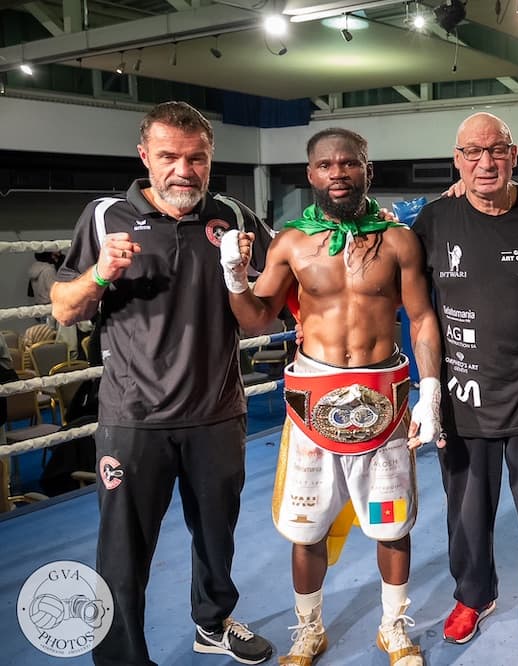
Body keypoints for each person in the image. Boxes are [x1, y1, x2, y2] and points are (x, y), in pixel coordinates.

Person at [50, 101, 274, 666]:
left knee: (217, 537)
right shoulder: (105, 216)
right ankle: (122, 658)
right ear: (145, 156)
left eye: (197, 158)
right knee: (123, 552)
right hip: (134, 417)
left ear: (210, 158)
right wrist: (100, 273)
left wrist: (239, 276)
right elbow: (64, 308)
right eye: (170, 156)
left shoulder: (234, 216)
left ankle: (213, 625)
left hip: (216, 411)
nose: (184, 170)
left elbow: (264, 313)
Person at [221, 127, 444, 666]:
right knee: (307, 528)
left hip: (383, 399)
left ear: (368, 168)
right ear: (311, 174)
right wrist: (234, 277)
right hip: (312, 402)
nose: (338, 173)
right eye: (326, 165)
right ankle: (309, 630)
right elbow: (256, 321)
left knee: (392, 524)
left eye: (349, 163)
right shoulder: (290, 243)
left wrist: (431, 391)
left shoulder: (398, 241)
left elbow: (420, 318)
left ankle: (393, 627)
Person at [415, 112, 518, 666]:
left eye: (497, 150)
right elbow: (409, 302)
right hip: (464, 398)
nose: (486, 162)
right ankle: (473, 596)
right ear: (457, 160)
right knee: (465, 519)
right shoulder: (434, 220)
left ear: (513, 154)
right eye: (473, 152)